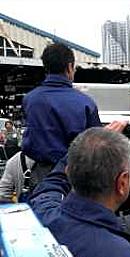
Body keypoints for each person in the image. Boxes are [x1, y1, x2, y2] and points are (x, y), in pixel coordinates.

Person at [29, 127, 130, 257]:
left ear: (68, 171)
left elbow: (49, 187)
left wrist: (83, 151)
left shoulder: (42, 215)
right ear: (122, 182)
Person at [22, 43, 101, 175]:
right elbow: (97, 144)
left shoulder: (30, 99)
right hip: (75, 175)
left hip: (41, 174)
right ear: (69, 67)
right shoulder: (85, 103)